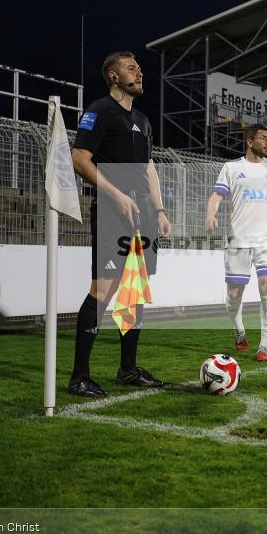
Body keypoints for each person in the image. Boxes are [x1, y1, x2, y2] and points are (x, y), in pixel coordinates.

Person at [67, 51, 172, 396]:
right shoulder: (99, 111)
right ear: (113, 76)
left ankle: (127, 369)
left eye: (139, 68)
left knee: (135, 292)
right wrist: (116, 196)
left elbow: (149, 169)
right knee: (104, 290)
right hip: (113, 212)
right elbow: (80, 160)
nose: (139, 72)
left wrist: (159, 210)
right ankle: (79, 376)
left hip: (142, 216)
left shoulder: (143, 119)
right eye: (131, 68)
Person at [205, 124, 267, 361]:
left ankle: (265, 346)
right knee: (233, 292)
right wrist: (211, 214)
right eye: (263, 138)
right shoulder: (231, 168)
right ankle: (239, 329)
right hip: (239, 240)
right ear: (250, 142)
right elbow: (216, 196)